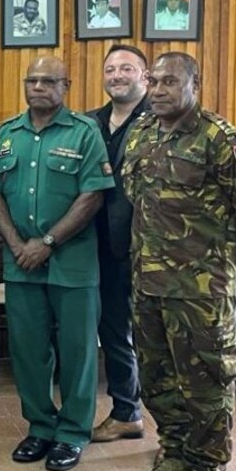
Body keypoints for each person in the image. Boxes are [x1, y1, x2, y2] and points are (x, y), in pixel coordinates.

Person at [122, 52, 236, 471]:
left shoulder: (219, 139)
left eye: (171, 81)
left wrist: (225, 262)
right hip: (148, 282)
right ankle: (176, 455)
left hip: (200, 291)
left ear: (194, 85)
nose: (160, 89)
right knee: (157, 377)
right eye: (155, 81)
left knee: (205, 381)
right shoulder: (142, 132)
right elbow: (135, 194)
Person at [0, 56, 113, 471]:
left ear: (65, 84)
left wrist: (48, 242)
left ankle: (72, 433)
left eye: (48, 80)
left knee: (77, 351)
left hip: (72, 265)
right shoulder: (6, 135)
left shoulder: (85, 133)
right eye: (31, 80)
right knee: (28, 352)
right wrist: (18, 245)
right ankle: (40, 426)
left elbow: (92, 195)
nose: (38, 87)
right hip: (22, 265)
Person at [87, 45, 149, 445]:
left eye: (126, 68)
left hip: (150, 250)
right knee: (113, 332)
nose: (117, 75)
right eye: (110, 69)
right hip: (100, 247)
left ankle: (174, 429)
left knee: (153, 337)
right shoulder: (91, 122)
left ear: (144, 75)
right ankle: (127, 410)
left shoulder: (160, 120)